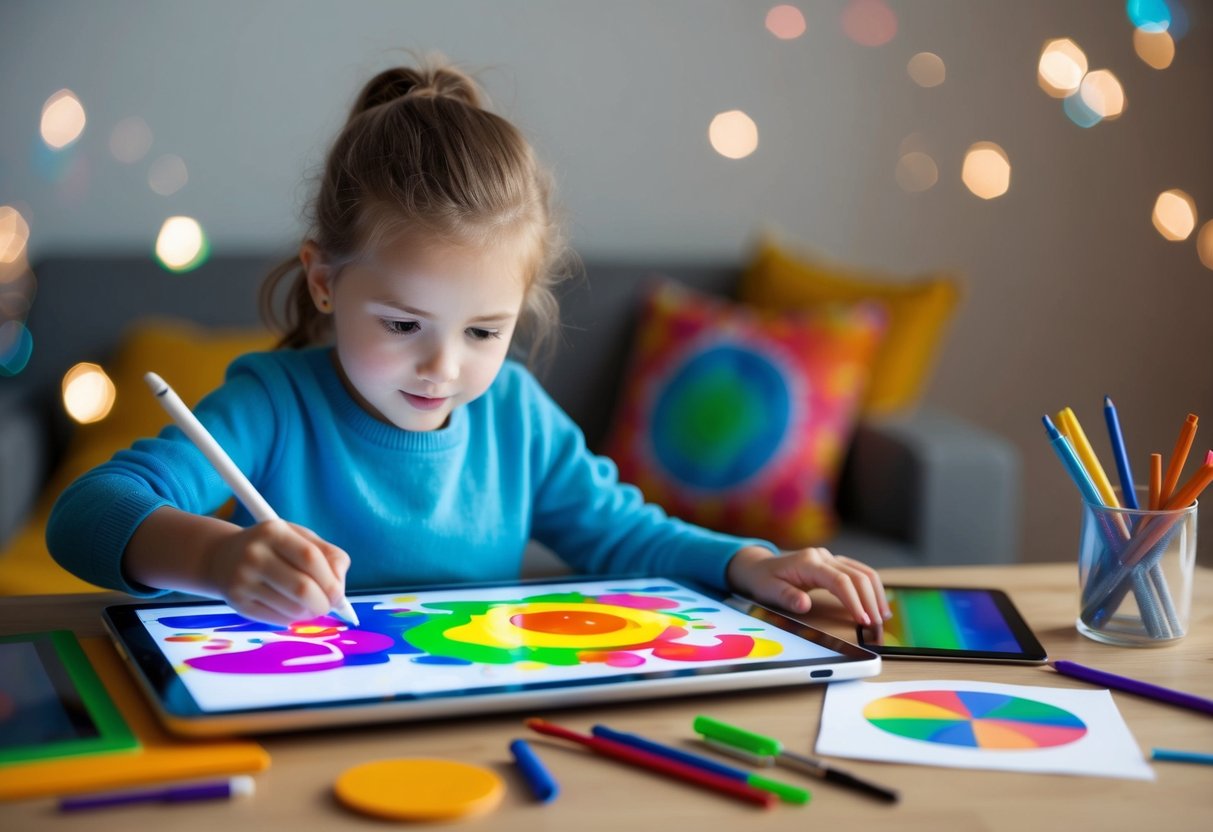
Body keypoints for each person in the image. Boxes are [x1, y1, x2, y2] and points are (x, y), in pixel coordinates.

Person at [48, 59, 890, 629]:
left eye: (484, 331)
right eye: (403, 324)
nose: (444, 368)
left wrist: (749, 563)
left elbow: (620, 533)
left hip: (474, 724)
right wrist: (221, 555)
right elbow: (85, 515)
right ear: (325, 282)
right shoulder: (272, 404)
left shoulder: (514, 414)